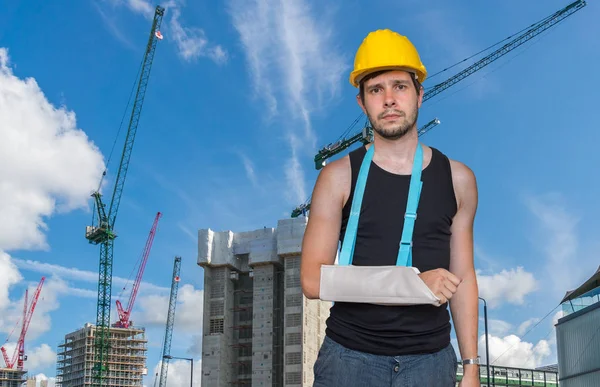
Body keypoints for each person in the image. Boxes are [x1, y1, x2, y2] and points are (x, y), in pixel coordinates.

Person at [300, 29, 480, 387]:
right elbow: (312, 279)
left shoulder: (459, 179)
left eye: (399, 86)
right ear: (362, 103)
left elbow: (463, 276)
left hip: (432, 362)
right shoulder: (337, 177)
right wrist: (413, 284)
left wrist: (471, 365)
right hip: (348, 359)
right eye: (375, 90)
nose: (389, 100)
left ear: (419, 94)